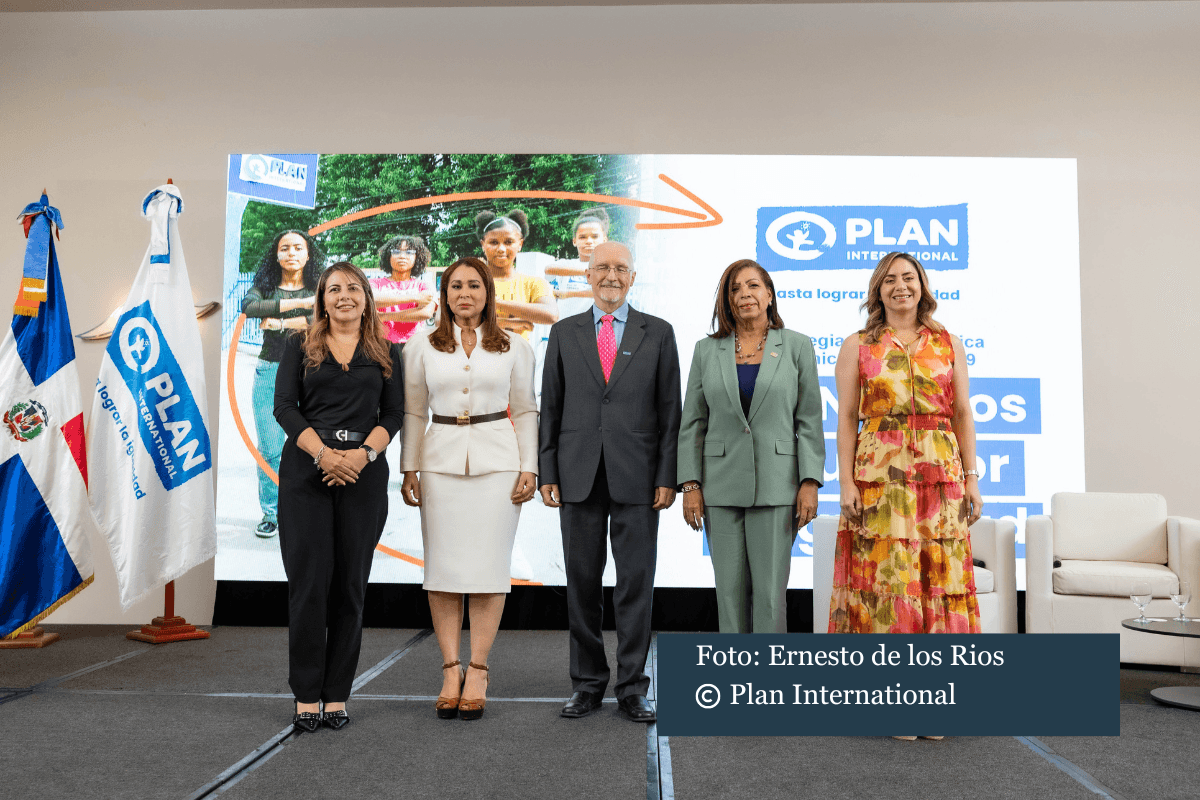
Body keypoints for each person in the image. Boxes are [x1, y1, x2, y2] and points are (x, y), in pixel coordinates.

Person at [539, 241, 681, 723]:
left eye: (621, 268)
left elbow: (670, 413)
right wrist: (547, 471)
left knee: (635, 586)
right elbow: (551, 409)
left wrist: (668, 476)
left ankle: (632, 687)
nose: (611, 276)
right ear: (588, 275)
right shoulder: (563, 332)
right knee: (580, 583)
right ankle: (586, 683)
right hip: (578, 475)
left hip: (639, 478)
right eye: (602, 268)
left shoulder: (659, 333)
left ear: (633, 277)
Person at [400, 256, 539, 721]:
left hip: (499, 465)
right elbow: (414, 412)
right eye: (455, 286)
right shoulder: (419, 347)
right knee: (442, 570)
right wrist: (409, 468)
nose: (465, 293)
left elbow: (525, 410)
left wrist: (530, 466)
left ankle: (478, 669)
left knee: (488, 569)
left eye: (474, 285)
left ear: (488, 293)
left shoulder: (516, 348)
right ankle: (449, 669)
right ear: (444, 294)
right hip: (438, 465)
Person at [273, 261, 404, 733]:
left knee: (350, 588)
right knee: (309, 587)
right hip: (307, 474)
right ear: (321, 299)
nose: (343, 296)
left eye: (353, 288)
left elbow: (393, 414)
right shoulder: (298, 345)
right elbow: (284, 407)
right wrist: (325, 455)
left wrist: (361, 456)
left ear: (366, 296)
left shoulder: (388, 351)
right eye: (334, 289)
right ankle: (307, 694)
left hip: (363, 476)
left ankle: (337, 695)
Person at [828, 252, 982, 638]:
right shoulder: (858, 345)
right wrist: (846, 482)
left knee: (940, 574)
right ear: (878, 291)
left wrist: (972, 478)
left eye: (909, 277)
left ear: (922, 285)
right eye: (890, 280)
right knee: (885, 574)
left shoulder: (949, 343)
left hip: (940, 478)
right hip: (879, 478)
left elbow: (962, 412)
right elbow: (847, 418)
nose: (901, 286)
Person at [677, 259, 824, 633]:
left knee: (771, 596)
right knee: (728, 593)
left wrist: (810, 481)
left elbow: (808, 420)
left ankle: (767, 682)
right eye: (735, 288)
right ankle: (734, 683)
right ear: (726, 301)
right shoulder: (706, 350)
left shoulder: (796, 346)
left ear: (770, 294)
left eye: (753, 286)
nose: (745, 294)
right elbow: (692, 422)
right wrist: (690, 485)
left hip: (778, 487)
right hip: (720, 488)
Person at [241, 230, 322, 538]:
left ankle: (306, 508)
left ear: (308, 254)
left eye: (297, 247)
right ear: (276, 255)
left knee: (312, 446)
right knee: (271, 448)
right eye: (284, 248)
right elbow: (250, 307)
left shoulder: (320, 287)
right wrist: (300, 304)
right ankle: (271, 512)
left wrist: (283, 321)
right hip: (270, 371)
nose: (291, 252)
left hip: (312, 373)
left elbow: (324, 318)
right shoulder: (264, 287)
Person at [476, 209, 559, 339]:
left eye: (508, 242)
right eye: (493, 242)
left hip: (519, 359)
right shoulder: (468, 281)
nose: (501, 249)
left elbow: (551, 315)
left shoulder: (532, 283)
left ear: (520, 244)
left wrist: (497, 303)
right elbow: (442, 321)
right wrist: (507, 322)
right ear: (483, 244)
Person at [370, 233, 437, 344]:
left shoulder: (425, 285)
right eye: (396, 252)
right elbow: (371, 301)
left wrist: (384, 316)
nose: (402, 256)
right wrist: (415, 297)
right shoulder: (374, 283)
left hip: (413, 347)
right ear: (388, 257)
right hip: (381, 347)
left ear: (417, 257)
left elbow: (426, 313)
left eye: (409, 252)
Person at [544, 207, 610, 319]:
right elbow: (548, 269)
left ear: (604, 240)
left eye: (595, 236)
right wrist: (589, 272)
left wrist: (568, 294)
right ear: (574, 241)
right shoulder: (567, 264)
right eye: (582, 237)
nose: (589, 241)